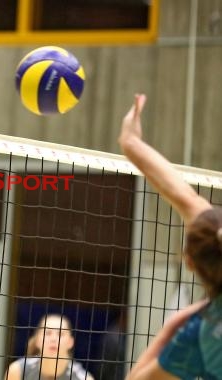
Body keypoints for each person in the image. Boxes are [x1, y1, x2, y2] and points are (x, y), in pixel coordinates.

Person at [120, 94, 222, 380]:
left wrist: (169, 329)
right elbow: (189, 200)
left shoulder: (197, 334)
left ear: (190, 262)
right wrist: (131, 140)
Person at [5, 314, 94, 380]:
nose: (54, 339)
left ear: (70, 342)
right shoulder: (17, 371)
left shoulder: (84, 378)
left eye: (60, 334)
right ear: (37, 340)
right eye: (47, 333)